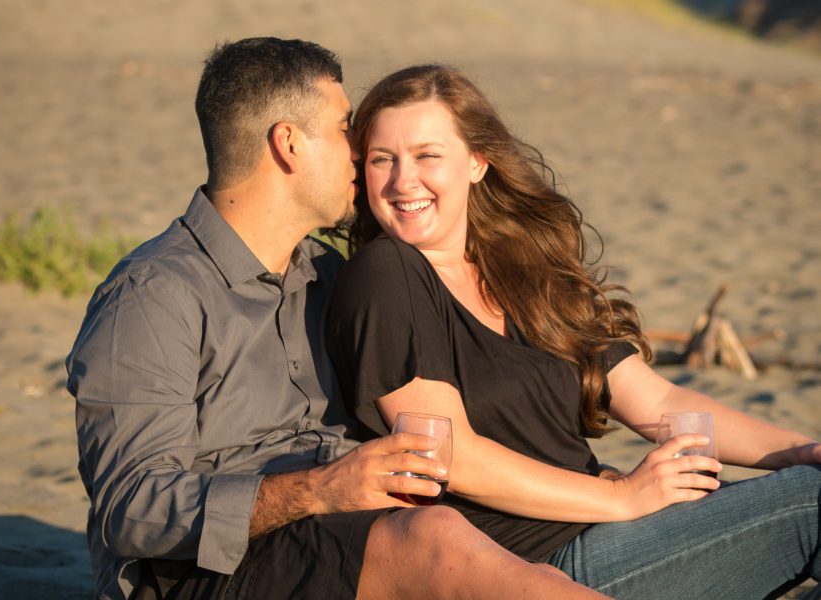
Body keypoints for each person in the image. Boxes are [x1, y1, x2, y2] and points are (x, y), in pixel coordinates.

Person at [65, 39, 609, 600]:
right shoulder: (153, 297)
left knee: (516, 562)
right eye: (345, 128)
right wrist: (318, 490)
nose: (359, 151)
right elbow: (132, 508)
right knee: (439, 540)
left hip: (356, 534)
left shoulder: (326, 273)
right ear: (288, 144)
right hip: (210, 574)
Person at [326, 63, 821, 599]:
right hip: (536, 565)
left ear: (476, 161)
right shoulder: (386, 274)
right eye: (383, 159)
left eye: (427, 155)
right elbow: (450, 455)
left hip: (611, 530)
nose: (403, 181)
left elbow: (659, 400)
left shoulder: (524, 268)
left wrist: (799, 450)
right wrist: (624, 497)